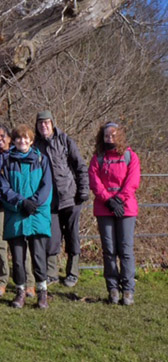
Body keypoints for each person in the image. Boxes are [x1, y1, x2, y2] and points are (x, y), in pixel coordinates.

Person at [0, 124, 53, 309]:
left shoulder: (41, 159)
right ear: (13, 141)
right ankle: (20, 292)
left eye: (26, 138)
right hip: (16, 216)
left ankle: (42, 293)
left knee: (39, 257)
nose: (22, 141)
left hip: (37, 216)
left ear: (31, 140)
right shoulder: (7, 162)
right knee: (18, 259)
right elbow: (4, 189)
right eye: (18, 138)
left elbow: (46, 187)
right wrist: (21, 202)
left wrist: (33, 203)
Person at [34, 110, 89, 287]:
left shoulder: (65, 140)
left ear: (52, 123)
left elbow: (80, 166)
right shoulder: (35, 146)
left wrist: (83, 190)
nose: (44, 126)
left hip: (70, 197)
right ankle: (51, 273)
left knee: (72, 236)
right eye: (40, 123)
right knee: (52, 237)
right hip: (49, 202)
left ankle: (72, 272)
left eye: (47, 122)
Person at [88, 122, 140, 305]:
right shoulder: (98, 158)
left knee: (125, 250)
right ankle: (112, 288)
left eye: (113, 135)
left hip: (126, 209)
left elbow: (133, 180)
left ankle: (128, 289)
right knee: (109, 251)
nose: (110, 139)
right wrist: (108, 200)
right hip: (104, 208)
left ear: (120, 136)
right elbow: (94, 182)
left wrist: (119, 199)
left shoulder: (130, 156)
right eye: (106, 136)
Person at [0, 124, 36, 298]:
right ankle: (1, 281)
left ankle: (29, 283)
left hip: (17, 206)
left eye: (3, 136)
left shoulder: (19, 155)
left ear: (9, 138)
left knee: (23, 245)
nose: (0, 140)